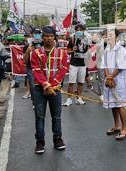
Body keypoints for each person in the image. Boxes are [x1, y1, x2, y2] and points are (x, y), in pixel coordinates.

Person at [31, 26, 69, 154]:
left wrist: (53, 86)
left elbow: (63, 70)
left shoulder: (62, 53)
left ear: (55, 37)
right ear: (42, 38)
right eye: (46, 36)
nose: (49, 38)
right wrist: (46, 86)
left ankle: (58, 139)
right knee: (39, 116)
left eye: (51, 36)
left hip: (56, 89)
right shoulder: (35, 53)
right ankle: (40, 142)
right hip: (39, 89)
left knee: (56, 116)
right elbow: (36, 71)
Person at [102, 29, 126, 141]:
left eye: (111, 35)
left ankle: (124, 129)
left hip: (119, 80)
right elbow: (104, 65)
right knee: (113, 104)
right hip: (110, 80)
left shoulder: (121, 50)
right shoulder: (106, 49)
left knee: (120, 104)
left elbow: (120, 66)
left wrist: (110, 77)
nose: (108, 37)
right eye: (107, 35)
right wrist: (108, 76)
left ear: (117, 37)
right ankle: (116, 126)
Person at [63, 24, 89, 106]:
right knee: (71, 82)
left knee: (81, 82)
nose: (79, 31)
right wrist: (72, 50)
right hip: (73, 64)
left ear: (83, 31)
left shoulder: (86, 40)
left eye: (81, 30)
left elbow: (87, 51)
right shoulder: (72, 40)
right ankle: (69, 99)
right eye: (77, 30)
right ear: (75, 31)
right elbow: (67, 51)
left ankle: (79, 98)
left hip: (83, 64)